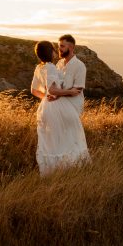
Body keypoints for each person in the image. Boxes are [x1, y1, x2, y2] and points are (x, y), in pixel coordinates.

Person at [30, 40, 90, 176]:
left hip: (45, 107)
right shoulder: (50, 67)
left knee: (51, 140)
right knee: (68, 137)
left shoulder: (39, 68)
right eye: (53, 49)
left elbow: (34, 90)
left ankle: (54, 171)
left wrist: (46, 97)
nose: (55, 51)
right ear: (49, 52)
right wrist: (68, 92)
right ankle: (69, 170)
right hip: (57, 108)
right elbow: (52, 89)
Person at [55, 34, 87, 115]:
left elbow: (77, 90)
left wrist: (57, 93)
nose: (59, 49)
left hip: (73, 106)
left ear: (71, 47)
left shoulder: (80, 66)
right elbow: (55, 84)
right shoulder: (59, 63)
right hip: (58, 105)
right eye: (58, 46)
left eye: (62, 46)